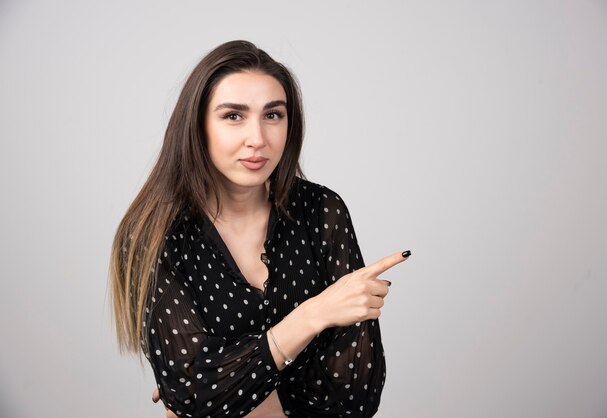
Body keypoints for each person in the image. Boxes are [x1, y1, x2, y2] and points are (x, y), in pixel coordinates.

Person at [109, 40, 410, 418]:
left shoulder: (320, 211)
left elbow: (355, 393)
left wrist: (232, 384)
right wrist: (314, 314)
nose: (258, 139)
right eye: (233, 116)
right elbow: (195, 394)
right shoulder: (152, 235)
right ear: (196, 124)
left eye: (273, 115)